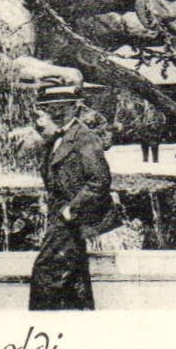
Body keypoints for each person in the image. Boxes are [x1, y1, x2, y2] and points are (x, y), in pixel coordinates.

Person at [26, 89, 117, 311]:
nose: (37, 122)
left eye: (41, 115)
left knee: (46, 271)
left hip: (69, 219)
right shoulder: (59, 138)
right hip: (62, 216)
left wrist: (71, 210)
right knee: (74, 277)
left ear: (59, 112)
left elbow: (99, 179)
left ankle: (39, 325)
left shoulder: (83, 138)